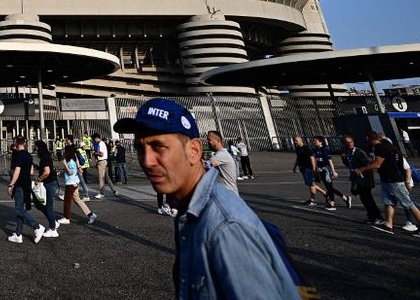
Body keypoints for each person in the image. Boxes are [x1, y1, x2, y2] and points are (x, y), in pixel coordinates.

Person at [114, 98, 301, 300]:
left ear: (194, 151)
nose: (146, 161)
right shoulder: (191, 210)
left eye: (158, 146)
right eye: (141, 148)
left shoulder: (226, 229)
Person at [355, 131, 420, 237]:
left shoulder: (380, 147)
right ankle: (388, 225)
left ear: (369, 138)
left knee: (409, 204)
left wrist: (362, 169)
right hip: (387, 180)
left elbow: (377, 164)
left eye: (367, 139)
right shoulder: (385, 145)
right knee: (389, 202)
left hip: (394, 180)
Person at [6, 136, 47, 244]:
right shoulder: (28, 155)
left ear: (16, 143)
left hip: (20, 184)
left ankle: (37, 226)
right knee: (21, 209)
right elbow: (31, 172)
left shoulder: (19, 155)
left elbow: (17, 171)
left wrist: (11, 184)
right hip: (27, 184)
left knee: (19, 209)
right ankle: (18, 234)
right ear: (24, 143)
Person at [340, 135, 383, 225]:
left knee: (368, 199)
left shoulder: (359, 152)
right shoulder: (348, 153)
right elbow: (349, 165)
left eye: (350, 142)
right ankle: (372, 217)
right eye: (346, 143)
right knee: (364, 199)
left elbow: (369, 164)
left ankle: (377, 217)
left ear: (353, 142)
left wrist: (361, 170)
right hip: (357, 179)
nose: (349, 144)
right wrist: (344, 159)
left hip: (365, 179)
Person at [309, 136, 351, 211]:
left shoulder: (325, 149)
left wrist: (333, 171)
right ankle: (345, 198)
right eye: (314, 140)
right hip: (320, 170)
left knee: (330, 188)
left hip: (326, 170)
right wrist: (315, 168)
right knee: (329, 188)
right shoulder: (315, 150)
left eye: (316, 140)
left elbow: (329, 161)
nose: (314, 142)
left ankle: (332, 204)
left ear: (321, 141)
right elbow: (316, 160)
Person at [61, 145, 97, 225]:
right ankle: (91, 214)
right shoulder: (74, 158)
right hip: (75, 182)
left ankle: (66, 218)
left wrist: (65, 165)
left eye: (65, 151)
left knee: (67, 201)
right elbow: (78, 170)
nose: (63, 152)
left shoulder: (69, 161)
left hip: (71, 183)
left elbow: (70, 173)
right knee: (77, 200)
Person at [33, 140, 60, 237]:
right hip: (50, 182)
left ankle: (53, 229)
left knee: (48, 206)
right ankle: (53, 222)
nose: (34, 148)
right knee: (43, 205)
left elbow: (47, 172)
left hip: (49, 183)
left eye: (36, 146)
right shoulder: (45, 157)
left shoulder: (44, 158)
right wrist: (38, 167)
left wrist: (38, 180)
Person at [292, 136, 328, 206]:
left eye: (296, 140)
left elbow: (312, 158)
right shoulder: (297, 148)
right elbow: (298, 157)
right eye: (294, 140)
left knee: (311, 184)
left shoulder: (306, 148)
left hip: (309, 168)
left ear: (301, 140)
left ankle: (312, 200)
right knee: (310, 184)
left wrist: (313, 168)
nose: (295, 142)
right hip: (303, 168)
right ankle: (325, 194)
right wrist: (295, 166)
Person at [91, 133, 118, 199]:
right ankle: (114, 191)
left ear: (97, 138)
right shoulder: (101, 143)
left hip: (102, 161)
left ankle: (102, 193)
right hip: (104, 161)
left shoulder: (100, 144)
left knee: (101, 178)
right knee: (107, 177)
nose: (94, 140)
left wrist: (94, 152)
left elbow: (101, 154)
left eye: (94, 139)